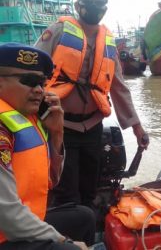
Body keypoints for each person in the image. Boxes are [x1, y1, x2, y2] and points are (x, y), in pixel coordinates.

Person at [34, 0, 149, 208]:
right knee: (65, 189)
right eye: (89, 3)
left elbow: (119, 86)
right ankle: (71, 235)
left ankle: (89, 228)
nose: (95, 8)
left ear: (105, 9)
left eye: (100, 4)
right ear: (78, 5)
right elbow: (33, 68)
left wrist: (137, 126)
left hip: (93, 125)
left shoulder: (107, 42)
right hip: (60, 125)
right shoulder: (58, 31)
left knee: (90, 186)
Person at [0, 43, 96, 250]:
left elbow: (50, 182)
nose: (38, 90)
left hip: (21, 223)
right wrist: (64, 241)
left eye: (42, 83)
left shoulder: (27, 119)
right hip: (7, 230)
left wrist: (56, 133)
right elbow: (7, 216)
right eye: (28, 81)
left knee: (85, 217)